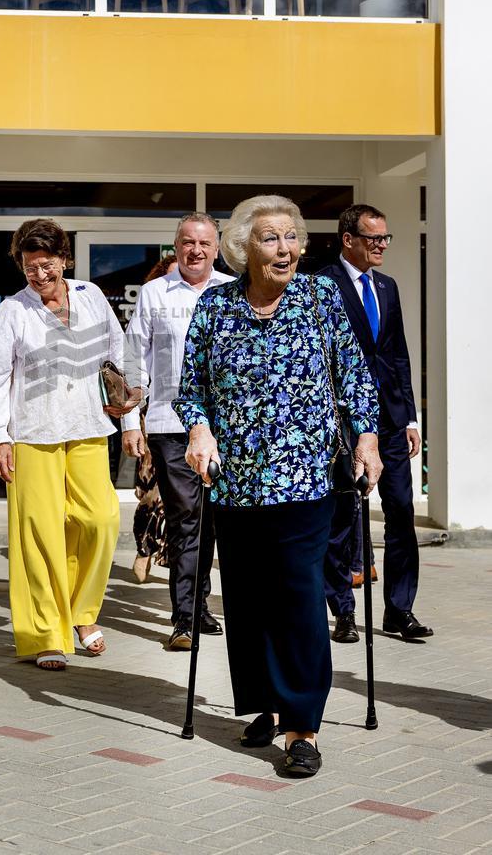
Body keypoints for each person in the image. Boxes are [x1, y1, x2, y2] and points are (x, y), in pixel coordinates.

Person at [174, 195, 381, 777]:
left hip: (304, 479)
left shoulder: (319, 300)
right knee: (246, 600)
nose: (286, 248)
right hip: (236, 480)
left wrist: (366, 440)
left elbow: (355, 377)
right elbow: (191, 387)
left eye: (292, 237)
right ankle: (261, 704)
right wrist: (198, 428)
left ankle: (300, 726)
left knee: (296, 598)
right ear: (244, 248)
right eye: (271, 238)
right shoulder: (215, 307)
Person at [0, 219, 143, 671]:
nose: (40, 275)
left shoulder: (91, 297)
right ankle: (44, 633)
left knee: (101, 520)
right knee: (39, 536)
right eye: (30, 267)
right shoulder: (13, 311)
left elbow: (119, 355)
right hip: (32, 434)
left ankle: (81, 611)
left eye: (47, 265)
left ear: (64, 259)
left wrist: (131, 410)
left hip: (88, 425)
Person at [322, 204, 433, 643]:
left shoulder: (387, 287)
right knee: (344, 517)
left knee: (402, 512)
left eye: (386, 238)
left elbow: (398, 353)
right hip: (345, 418)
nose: (382, 245)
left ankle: (399, 609)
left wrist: (409, 417)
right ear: (349, 239)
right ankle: (344, 610)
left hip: (389, 418)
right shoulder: (322, 285)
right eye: (374, 238)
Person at [122, 214, 234, 649]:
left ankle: (203, 605)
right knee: (187, 519)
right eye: (188, 242)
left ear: (217, 247)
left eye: (204, 243)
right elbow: (135, 360)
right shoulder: (155, 293)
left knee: (216, 523)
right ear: (176, 246)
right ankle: (183, 619)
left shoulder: (232, 292)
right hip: (172, 426)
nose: (196, 250)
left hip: (227, 431)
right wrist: (132, 421)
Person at [131, 256, 177, 583]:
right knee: (152, 492)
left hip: (190, 420)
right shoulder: (152, 305)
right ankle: (145, 547)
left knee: (176, 498)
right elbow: (134, 360)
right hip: (155, 413)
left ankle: (164, 552)